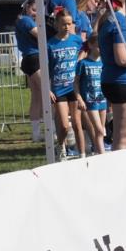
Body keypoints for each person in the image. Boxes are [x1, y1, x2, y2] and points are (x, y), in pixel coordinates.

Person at [96, 0, 126, 149]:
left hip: (110, 79)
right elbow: (122, 59)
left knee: (119, 132)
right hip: (121, 82)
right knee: (125, 134)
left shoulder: (108, 19)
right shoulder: (120, 20)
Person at [46, 9, 86, 159]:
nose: (67, 27)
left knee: (77, 123)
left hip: (74, 87)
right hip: (59, 88)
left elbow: (85, 51)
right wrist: (48, 89)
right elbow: (47, 68)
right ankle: (60, 145)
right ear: (56, 24)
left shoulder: (76, 40)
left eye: (69, 24)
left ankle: (82, 154)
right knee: (64, 125)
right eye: (63, 24)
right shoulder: (50, 44)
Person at [15, 0, 46, 142]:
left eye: (39, 10)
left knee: (37, 97)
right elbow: (41, 35)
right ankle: (52, 131)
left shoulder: (25, 20)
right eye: (34, 10)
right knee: (48, 93)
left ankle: (36, 134)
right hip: (33, 58)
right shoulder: (26, 20)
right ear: (27, 8)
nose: (36, 13)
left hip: (30, 59)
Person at [75, 34, 107, 154]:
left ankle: (98, 151)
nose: (101, 49)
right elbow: (76, 83)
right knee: (98, 129)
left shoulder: (104, 62)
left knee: (102, 131)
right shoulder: (83, 64)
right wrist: (79, 98)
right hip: (90, 101)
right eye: (99, 46)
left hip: (102, 99)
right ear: (91, 45)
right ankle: (103, 155)